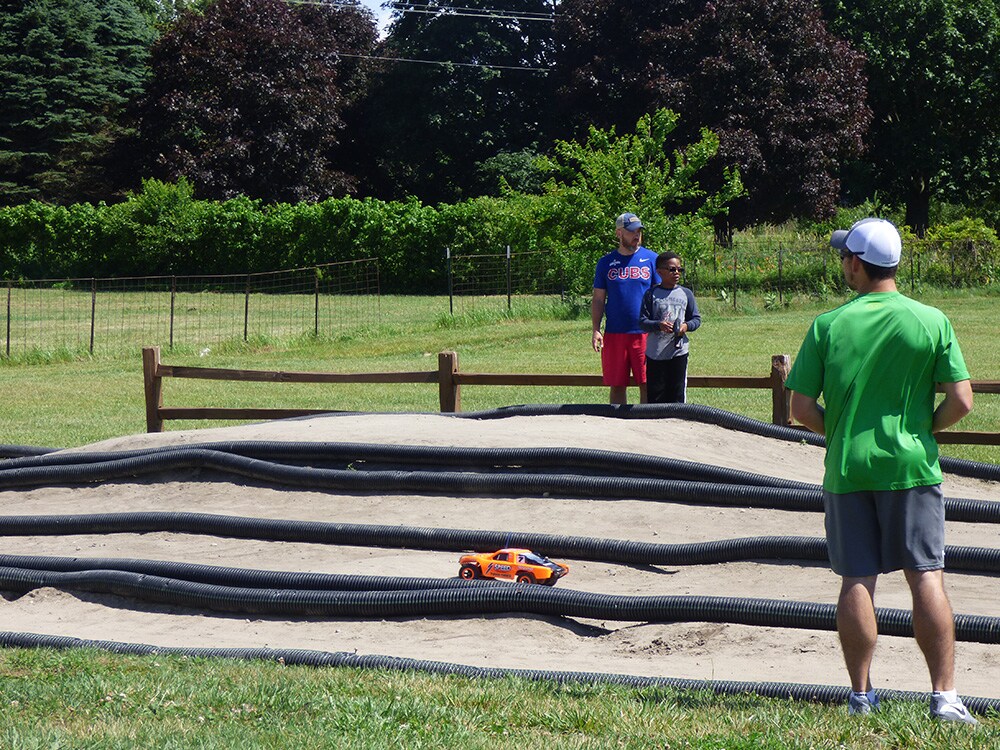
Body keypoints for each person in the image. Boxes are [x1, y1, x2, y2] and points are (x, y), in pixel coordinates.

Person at [785, 218, 976, 724]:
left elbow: (800, 408)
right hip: (912, 469)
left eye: (844, 257)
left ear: (856, 263)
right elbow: (962, 400)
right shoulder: (931, 320)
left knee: (856, 581)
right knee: (927, 577)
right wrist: (923, 433)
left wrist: (842, 430)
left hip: (848, 469)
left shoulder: (828, 325)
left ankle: (862, 697)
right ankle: (944, 698)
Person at [591, 212, 660, 404]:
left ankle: (646, 424)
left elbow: (660, 295)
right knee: (617, 384)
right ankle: (618, 428)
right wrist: (596, 329)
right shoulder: (605, 263)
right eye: (631, 232)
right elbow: (598, 299)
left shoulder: (652, 259)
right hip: (615, 333)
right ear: (619, 233)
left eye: (639, 231)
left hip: (645, 332)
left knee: (646, 382)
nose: (636, 235)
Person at [639, 252, 701, 403]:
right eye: (672, 269)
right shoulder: (651, 294)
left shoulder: (686, 293)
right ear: (659, 271)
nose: (677, 273)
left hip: (678, 352)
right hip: (655, 353)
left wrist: (685, 326)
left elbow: (696, 319)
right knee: (656, 394)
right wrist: (658, 325)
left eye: (680, 270)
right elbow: (642, 321)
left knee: (677, 393)